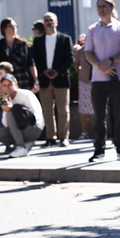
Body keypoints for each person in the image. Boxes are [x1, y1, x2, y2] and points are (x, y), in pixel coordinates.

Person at [84, 0, 120, 162]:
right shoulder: (92, 29)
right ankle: (99, 150)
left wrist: (110, 61)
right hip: (98, 79)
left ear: (112, 7)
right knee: (98, 116)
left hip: (118, 78)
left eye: (104, 6)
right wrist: (99, 65)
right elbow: (88, 53)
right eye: (98, 6)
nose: (101, 9)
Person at [32, 12, 74, 147]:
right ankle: (50, 137)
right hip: (45, 80)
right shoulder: (38, 40)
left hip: (61, 79)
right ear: (43, 23)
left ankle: (64, 137)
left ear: (56, 22)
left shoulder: (65, 38)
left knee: (63, 110)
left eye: (51, 20)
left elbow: (70, 58)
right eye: (46, 20)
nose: (49, 22)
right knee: (47, 110)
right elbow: (35, 59)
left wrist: (58, 71)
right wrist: (43, 71)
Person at [0, 73, 44, 158]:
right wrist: (6, 109)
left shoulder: (26, 94)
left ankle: (21, 146)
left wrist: (13, 109)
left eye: (10, 84)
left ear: (16, 84)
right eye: (4, 85)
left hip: (35, 128)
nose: (7, 87)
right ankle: (26, 143)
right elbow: (6, 124)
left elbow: (35, 116)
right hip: (21, 128)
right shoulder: (6, 99)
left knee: (10, 114)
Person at [0, 18, 38, 92]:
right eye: (11, 26)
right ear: (4, 28)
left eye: (15, 26)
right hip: (8, 80)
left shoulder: (23, 44)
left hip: (24, 78)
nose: (14, 28)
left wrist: (36, 80)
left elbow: (31, 62)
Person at [74, 34, 92, 139]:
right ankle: (85, 132)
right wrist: (81, 73)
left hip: (97, 81)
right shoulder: (80, 52)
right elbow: (76, 65)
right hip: (84, 82)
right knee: (84, 109)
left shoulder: (98, 50)